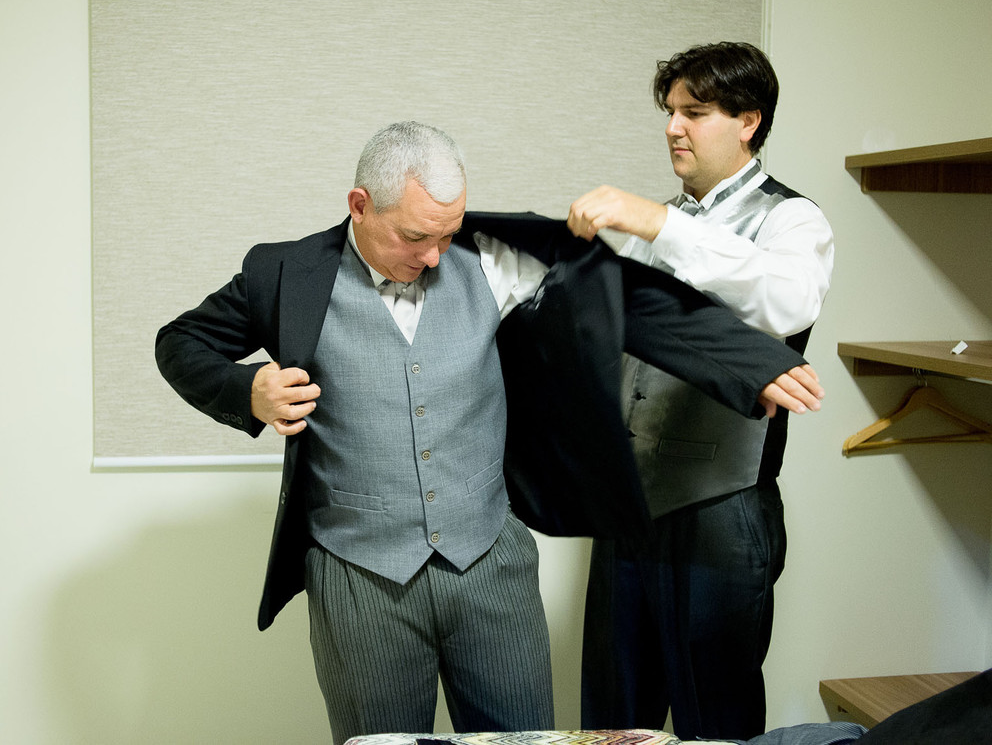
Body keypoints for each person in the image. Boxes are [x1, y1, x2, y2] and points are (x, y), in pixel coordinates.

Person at [156, 121, 824, 744]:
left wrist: (751, 363)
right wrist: (246, 389)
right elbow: (180, 341)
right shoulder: (285, 275)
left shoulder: (493, 258)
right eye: (415, 237)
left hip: (490, 567)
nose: (435, 256)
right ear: (360, 205)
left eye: (448, 234)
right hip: (357, 576)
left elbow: (630, 301)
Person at [567, 42, 835, 740]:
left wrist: (662, 226)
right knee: (614, 720)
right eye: (670, 112)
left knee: (715, 723)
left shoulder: (792, 220)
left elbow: (786, 301)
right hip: (626, 504)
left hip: (723, 506)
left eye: (695, 112)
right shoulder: (647, 224)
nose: (673, 128)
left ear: (748, 120)